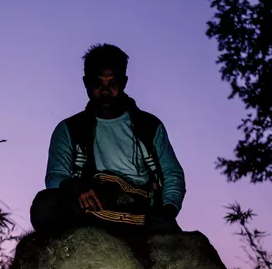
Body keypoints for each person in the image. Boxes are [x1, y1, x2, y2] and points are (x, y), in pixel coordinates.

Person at [30, 43, 185, 235]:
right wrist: (76, 187)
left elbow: (172, 173)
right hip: (92, 203)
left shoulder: (149, 126)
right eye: (97, 83)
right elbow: (55, 176)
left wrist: (168, 211)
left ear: (124, 82)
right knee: (45, 206)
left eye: (112, 83)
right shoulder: (69, 129)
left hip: (140, 205)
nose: (105, 90)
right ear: (86, 82)